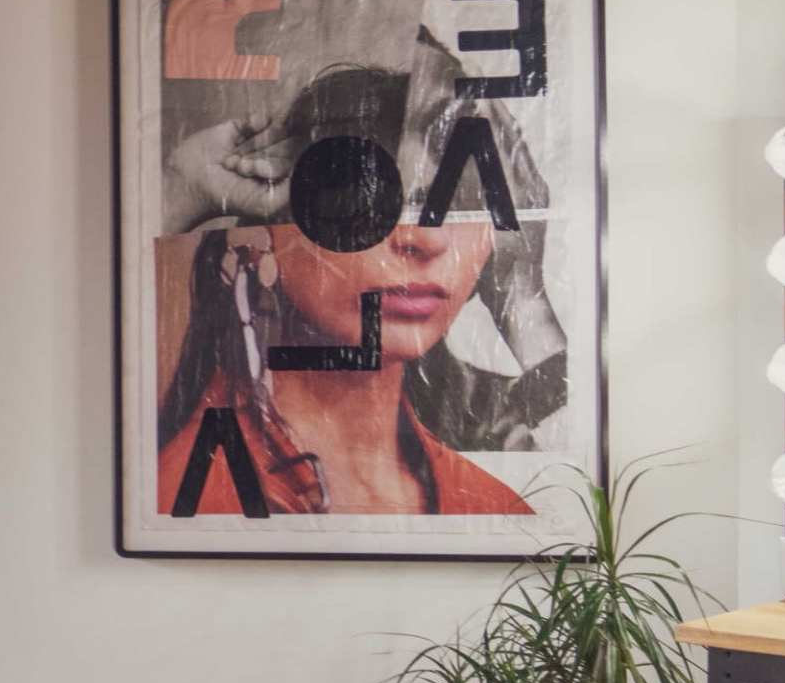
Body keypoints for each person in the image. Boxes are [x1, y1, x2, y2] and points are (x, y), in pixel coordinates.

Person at [152, 58, 540, 520]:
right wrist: (183, 185)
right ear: (269, 230)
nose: (426, 239)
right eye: (365, 201)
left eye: (457, 206)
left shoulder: (497, 511)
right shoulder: (182, 494)